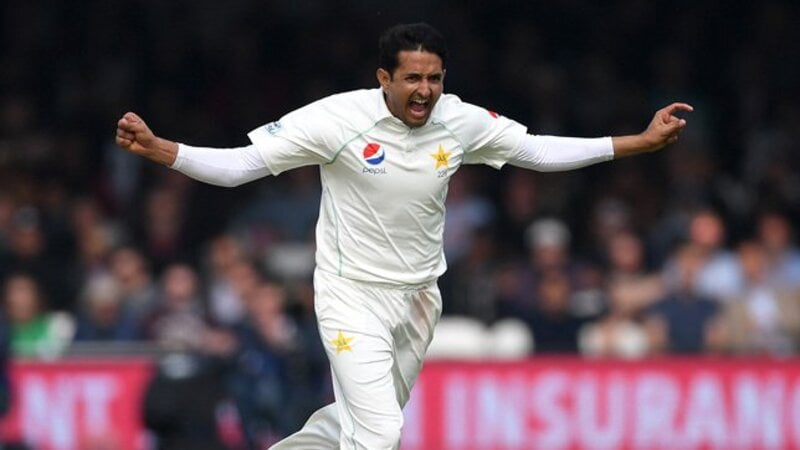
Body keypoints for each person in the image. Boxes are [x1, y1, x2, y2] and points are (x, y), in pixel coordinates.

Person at [116, 22, 692, 450]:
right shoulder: (337, 120)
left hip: (418, 299)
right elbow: (241, 165)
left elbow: (535, 150)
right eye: (412, 78)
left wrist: (636, 143)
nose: (424, 90)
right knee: (380, 433)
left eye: (434, 78)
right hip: (351, 296)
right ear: (383, 78)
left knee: (353, 423)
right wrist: (163, 150)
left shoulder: (458, 120)